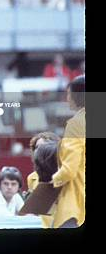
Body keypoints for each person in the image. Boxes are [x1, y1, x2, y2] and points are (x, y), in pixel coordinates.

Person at [50, 75, 85, 228]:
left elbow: (69, 170)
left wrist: (52, 181)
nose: (67, 98)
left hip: (77, 203)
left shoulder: (76, 123)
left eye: (69, 94)